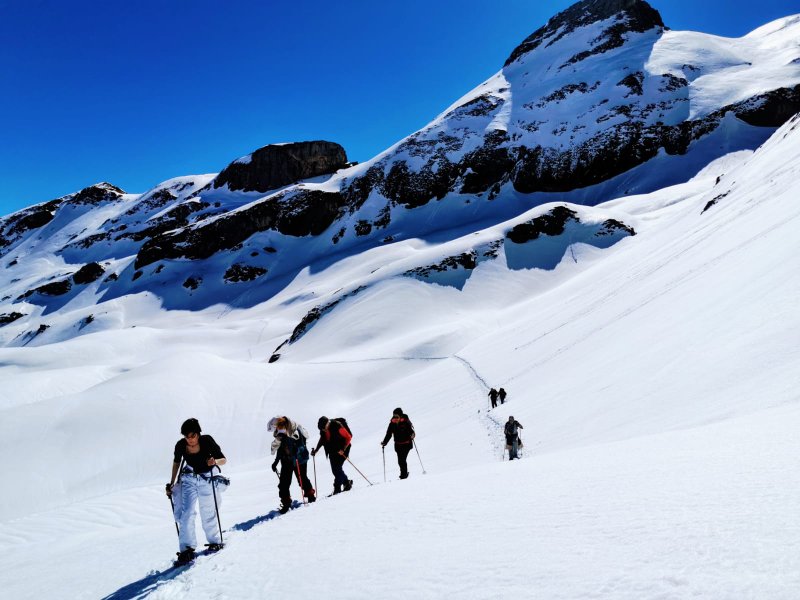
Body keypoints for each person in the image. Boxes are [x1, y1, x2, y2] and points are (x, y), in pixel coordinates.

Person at [166, 418, 228, 564]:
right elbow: (176, 462)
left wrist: (215, 461)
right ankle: (186, 549)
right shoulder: (181, 445)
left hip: (206, 478)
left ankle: (214, 541)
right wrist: (172, 483)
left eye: (192, 436)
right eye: (186, 437)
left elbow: (223, 459)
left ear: (198, 434)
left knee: (208, 510)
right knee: (186, 512)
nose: (190, 440)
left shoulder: (207, 441)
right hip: (189, 478)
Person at [268, 416, 315, 513]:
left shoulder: (295, 430)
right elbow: (280, 449)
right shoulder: (280, 433)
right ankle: (286, 503)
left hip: (299, 459)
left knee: (301, 478)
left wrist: (295, 451)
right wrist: (276, 462)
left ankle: (310, 495)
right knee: (284, 482)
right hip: (287, 460)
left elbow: (301, 445)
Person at [310, 416, 353, 495]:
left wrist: (343, 449)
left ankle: (337, 489)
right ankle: (346, 483)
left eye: (324, 428)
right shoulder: (323, 429)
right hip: (332, 450)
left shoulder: (337, 426)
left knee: (337, 468)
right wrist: (316, 450)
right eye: (322, 429)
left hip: (343, 449)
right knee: (335, 470)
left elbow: (349, 437)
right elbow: (322, 439)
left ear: (328, 423)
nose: (323, 430)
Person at [380, 407, 415, 479]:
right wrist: (384, 442)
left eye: (397, 416)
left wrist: (412, 435)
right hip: (398, 445)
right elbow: (389, 434)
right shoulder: (392, 424)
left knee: (402, 460)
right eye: (394, 416)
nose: (395, 418)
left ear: (400, 416)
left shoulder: (405, 422)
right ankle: (404, 474)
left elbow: (412, 432)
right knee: (400, 461)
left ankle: (403, 475)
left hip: (407, 444)